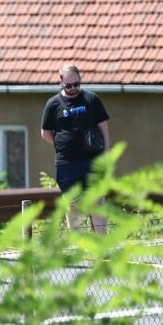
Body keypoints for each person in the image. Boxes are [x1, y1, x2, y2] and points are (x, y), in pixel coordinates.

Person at [40, 64, 110, 234]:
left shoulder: (91, 99)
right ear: (61, 82)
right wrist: (62, 143)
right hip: (66, 163)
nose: (73, 88)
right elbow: (45, 132)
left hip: (92, 160)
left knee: (96, 201)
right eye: (69, 85)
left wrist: (105, 155)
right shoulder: (53, 104)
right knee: (73, 204)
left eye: (76, 84)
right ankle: (77, 242)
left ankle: (103, 242)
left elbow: (103, 129)